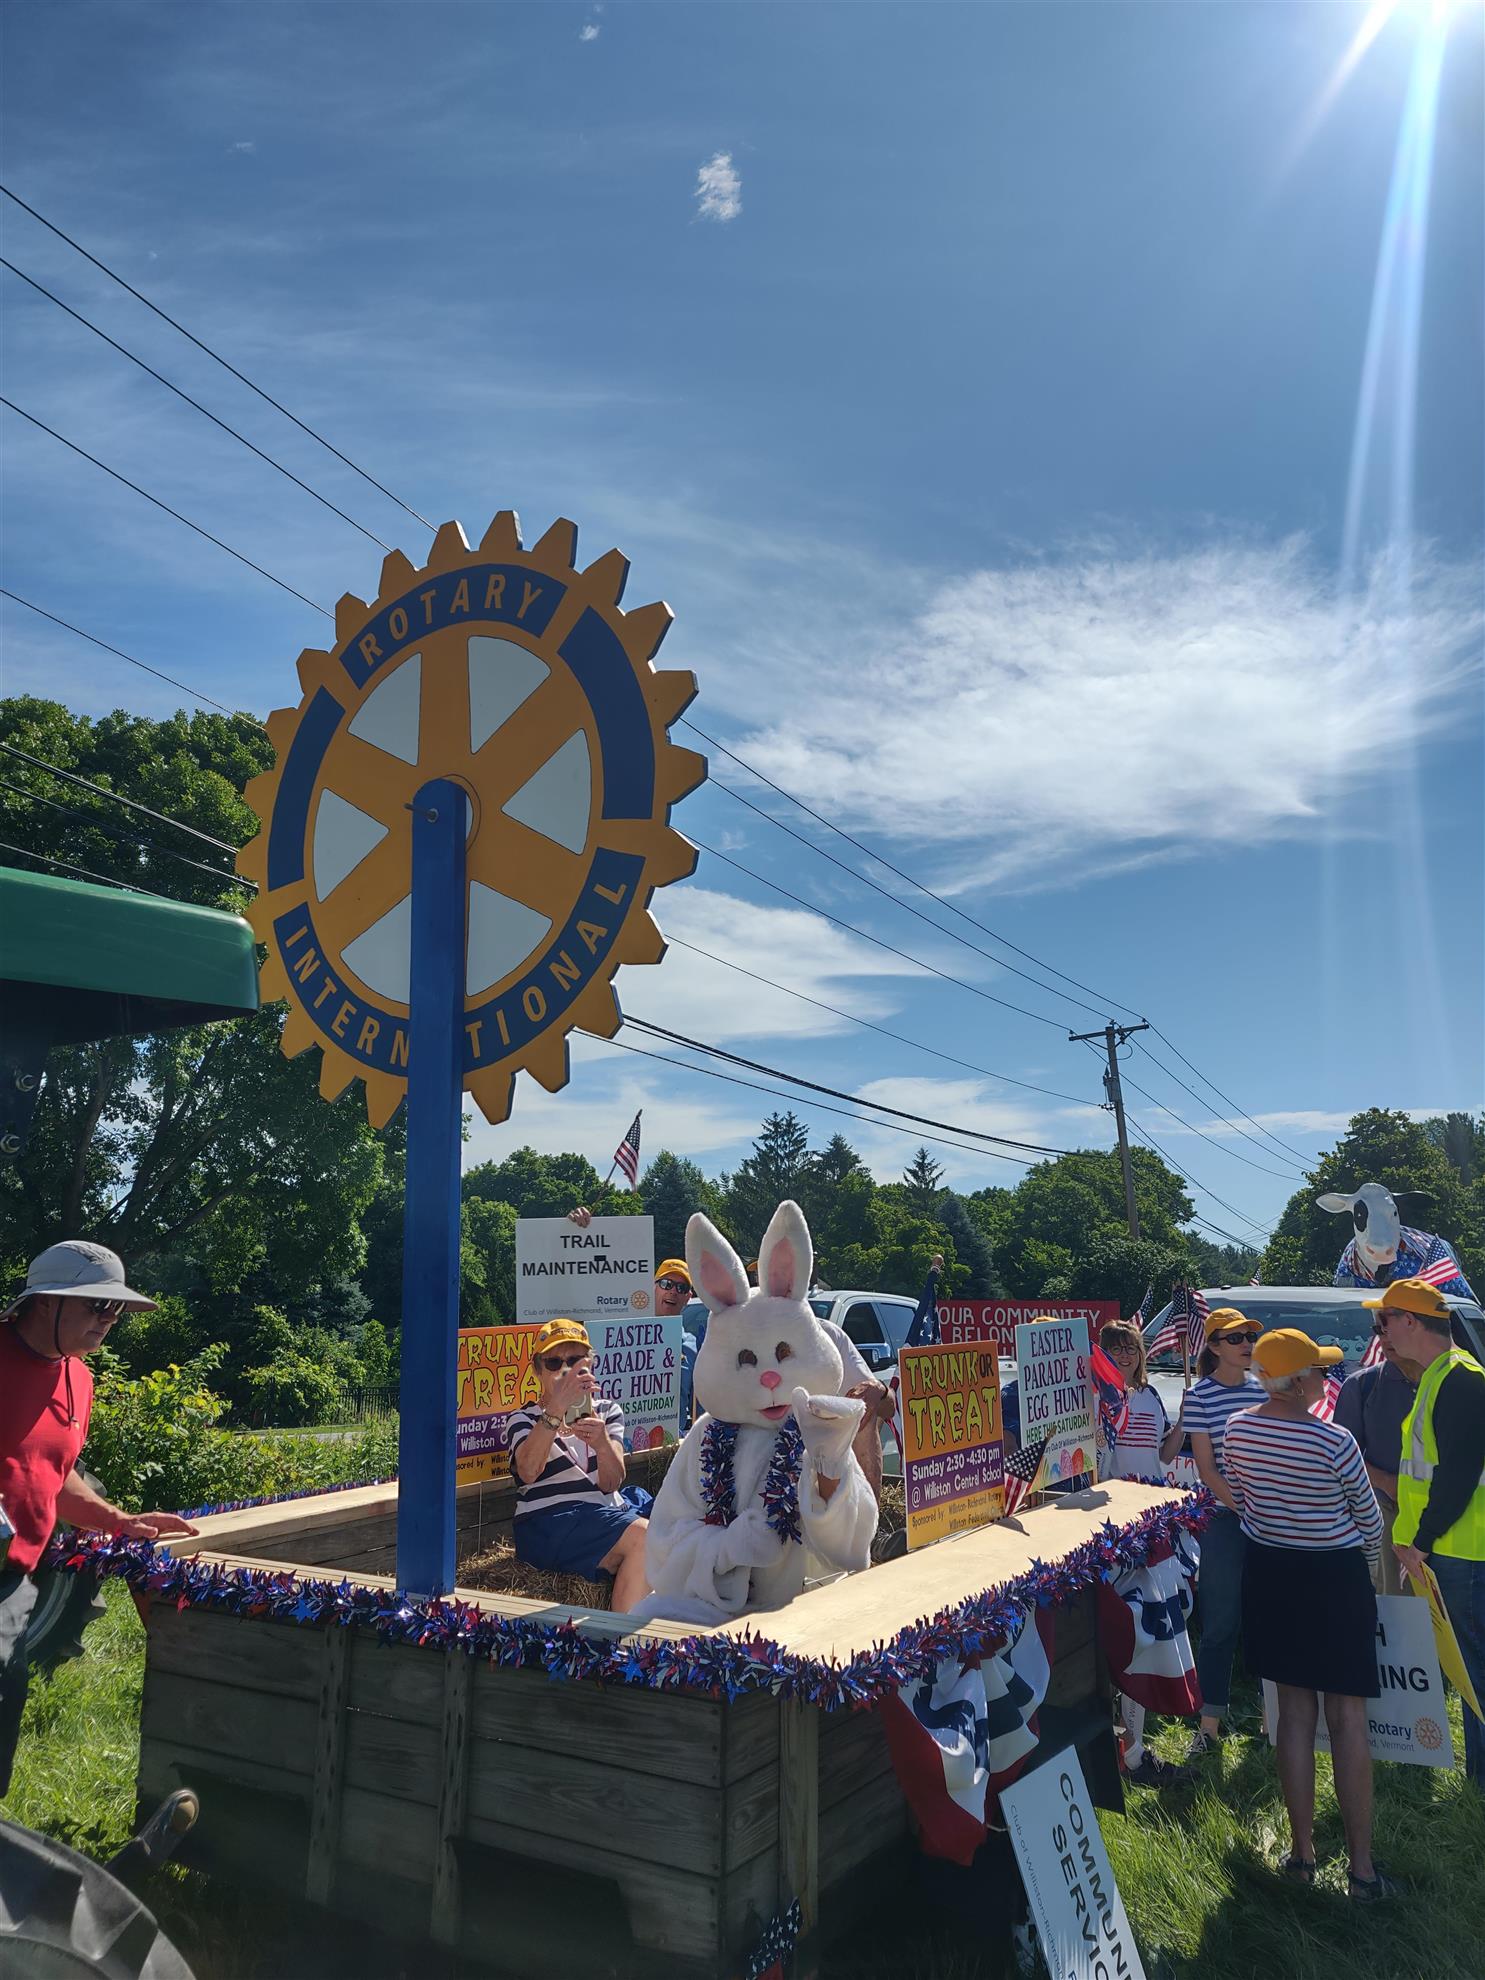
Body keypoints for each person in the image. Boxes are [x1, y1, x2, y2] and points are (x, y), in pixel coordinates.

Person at [1, 1242, 200, 1796]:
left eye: (116, 1311)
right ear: (43, 1303)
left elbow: (53, 1474)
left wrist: (120, 1521)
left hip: (11, 1574)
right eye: (95, 1306)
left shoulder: (78, 1379)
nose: (108, 1321)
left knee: (5, 1687)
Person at [1223, 1329, 1388, 1899]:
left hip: (1272, 1576)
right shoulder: (1334, 1442)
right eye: (1317, 1370)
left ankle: (1301, 1854)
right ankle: (1362, 1870)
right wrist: (1364, 1569)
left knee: (1293, 1715)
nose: (1325, 1377)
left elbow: (1243, 1499)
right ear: (1297, 1383)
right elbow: (1370, 1523)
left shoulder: (1236, 1431)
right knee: (1347, 1719)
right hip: (1333, 1579)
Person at [1367, 1276, 1485, 1784]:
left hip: (1462, 1553)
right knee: (1469, 1675)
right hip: (1449, 1551)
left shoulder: (1460, 1378)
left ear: (1411, 1320)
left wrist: (1420, 1540)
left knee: (1476, 1675)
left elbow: (1457, 1475)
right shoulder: (1440, 1375)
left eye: (1385, 1320)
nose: (1381, 1332)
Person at [506, 1318, 650, 1612]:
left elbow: (612, 1483)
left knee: (677, 1534)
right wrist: (557, 1408)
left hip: (602, 1514)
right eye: (554, 1363)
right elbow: (528, 1472)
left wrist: (601, 1445)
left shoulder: (608, 1412)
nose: (564, 1371)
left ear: (590, 1365)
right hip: (549, 1522)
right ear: (537, 1370)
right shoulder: (522, 1419)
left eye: (573, 1361)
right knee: (646, 1538)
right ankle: (626, 1645)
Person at [1098, 1319, 1189, 1785]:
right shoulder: (1100, 1399)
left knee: (1151, 1625)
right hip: (1115, 1518)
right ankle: (1125, 1743)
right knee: (1125, 1626)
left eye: (1129, 1347)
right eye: (1114, 1348)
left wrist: (1184, 1421)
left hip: (1151, 1516)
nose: (1124, 1355)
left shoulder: (1151, 1397)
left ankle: (1138, 1733)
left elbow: (1167, 1456)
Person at [1181, 1305, 1264, 1757]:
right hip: (1224, 1519)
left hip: (1269, 1521)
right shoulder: (1201, 1397)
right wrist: (1242, 1507)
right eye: (1235, 1338)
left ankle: (1273, 1720)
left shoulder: (1264, 1390)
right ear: (1213, 1347)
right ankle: (1210, 1724)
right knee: (1220, 1622)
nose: (1247, 1344)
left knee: (1267, 1617)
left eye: (1250, 1336)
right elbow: (1207, 1470)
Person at [565, 1209, 696, 1430]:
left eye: (681, 1287)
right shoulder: (618, 1330)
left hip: (666, 1451)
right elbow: (578, 1297)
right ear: (652, 1288)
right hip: (609, 1444)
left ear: (688, 1297)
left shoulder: (692, 1346)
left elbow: (700, 1407)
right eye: (665, 1284)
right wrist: (572, 1230)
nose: (672, 1291)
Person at [1333, 1350, 1413, 1595]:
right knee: (1400, 1608)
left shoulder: (1455, 1380)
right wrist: (1386, 1482)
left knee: (1457, 1618)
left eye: (1389, 1324)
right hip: (1389, 1512)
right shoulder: (1362, 1385)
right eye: (1379, 1328)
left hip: (1451, 1518)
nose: (1385, 1334)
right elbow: (1342, 1458)